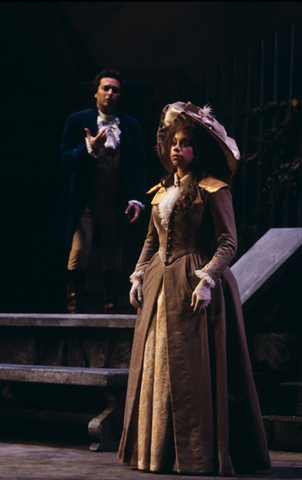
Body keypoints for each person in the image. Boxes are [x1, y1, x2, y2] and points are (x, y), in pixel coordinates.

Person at [118, 102, 271, 475]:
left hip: (195, 286)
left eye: (185, 144)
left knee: (193, 372)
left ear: (196, 150)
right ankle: (155, 452)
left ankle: (195, 454)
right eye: (174, 142)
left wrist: (207, 278)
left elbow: (228, 242)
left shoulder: (213, 189)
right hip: (158, 287)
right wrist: (138, 275)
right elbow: (152, 242)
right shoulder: (159, 191)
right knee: (155, 366)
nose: (177, 148)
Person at [47, 70, 147, 314]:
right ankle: (74, 308)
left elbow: (139, 164)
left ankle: (111, 307)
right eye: (106, 88)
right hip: (85, 200)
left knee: (114, 252)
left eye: (115, 89)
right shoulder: (77, 120)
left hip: (116, 200)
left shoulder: (131, 125)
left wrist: (136, 198)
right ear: (96, 92)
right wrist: (88, 149)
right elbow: (64, 158)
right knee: (80, 249)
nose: (111, 93)